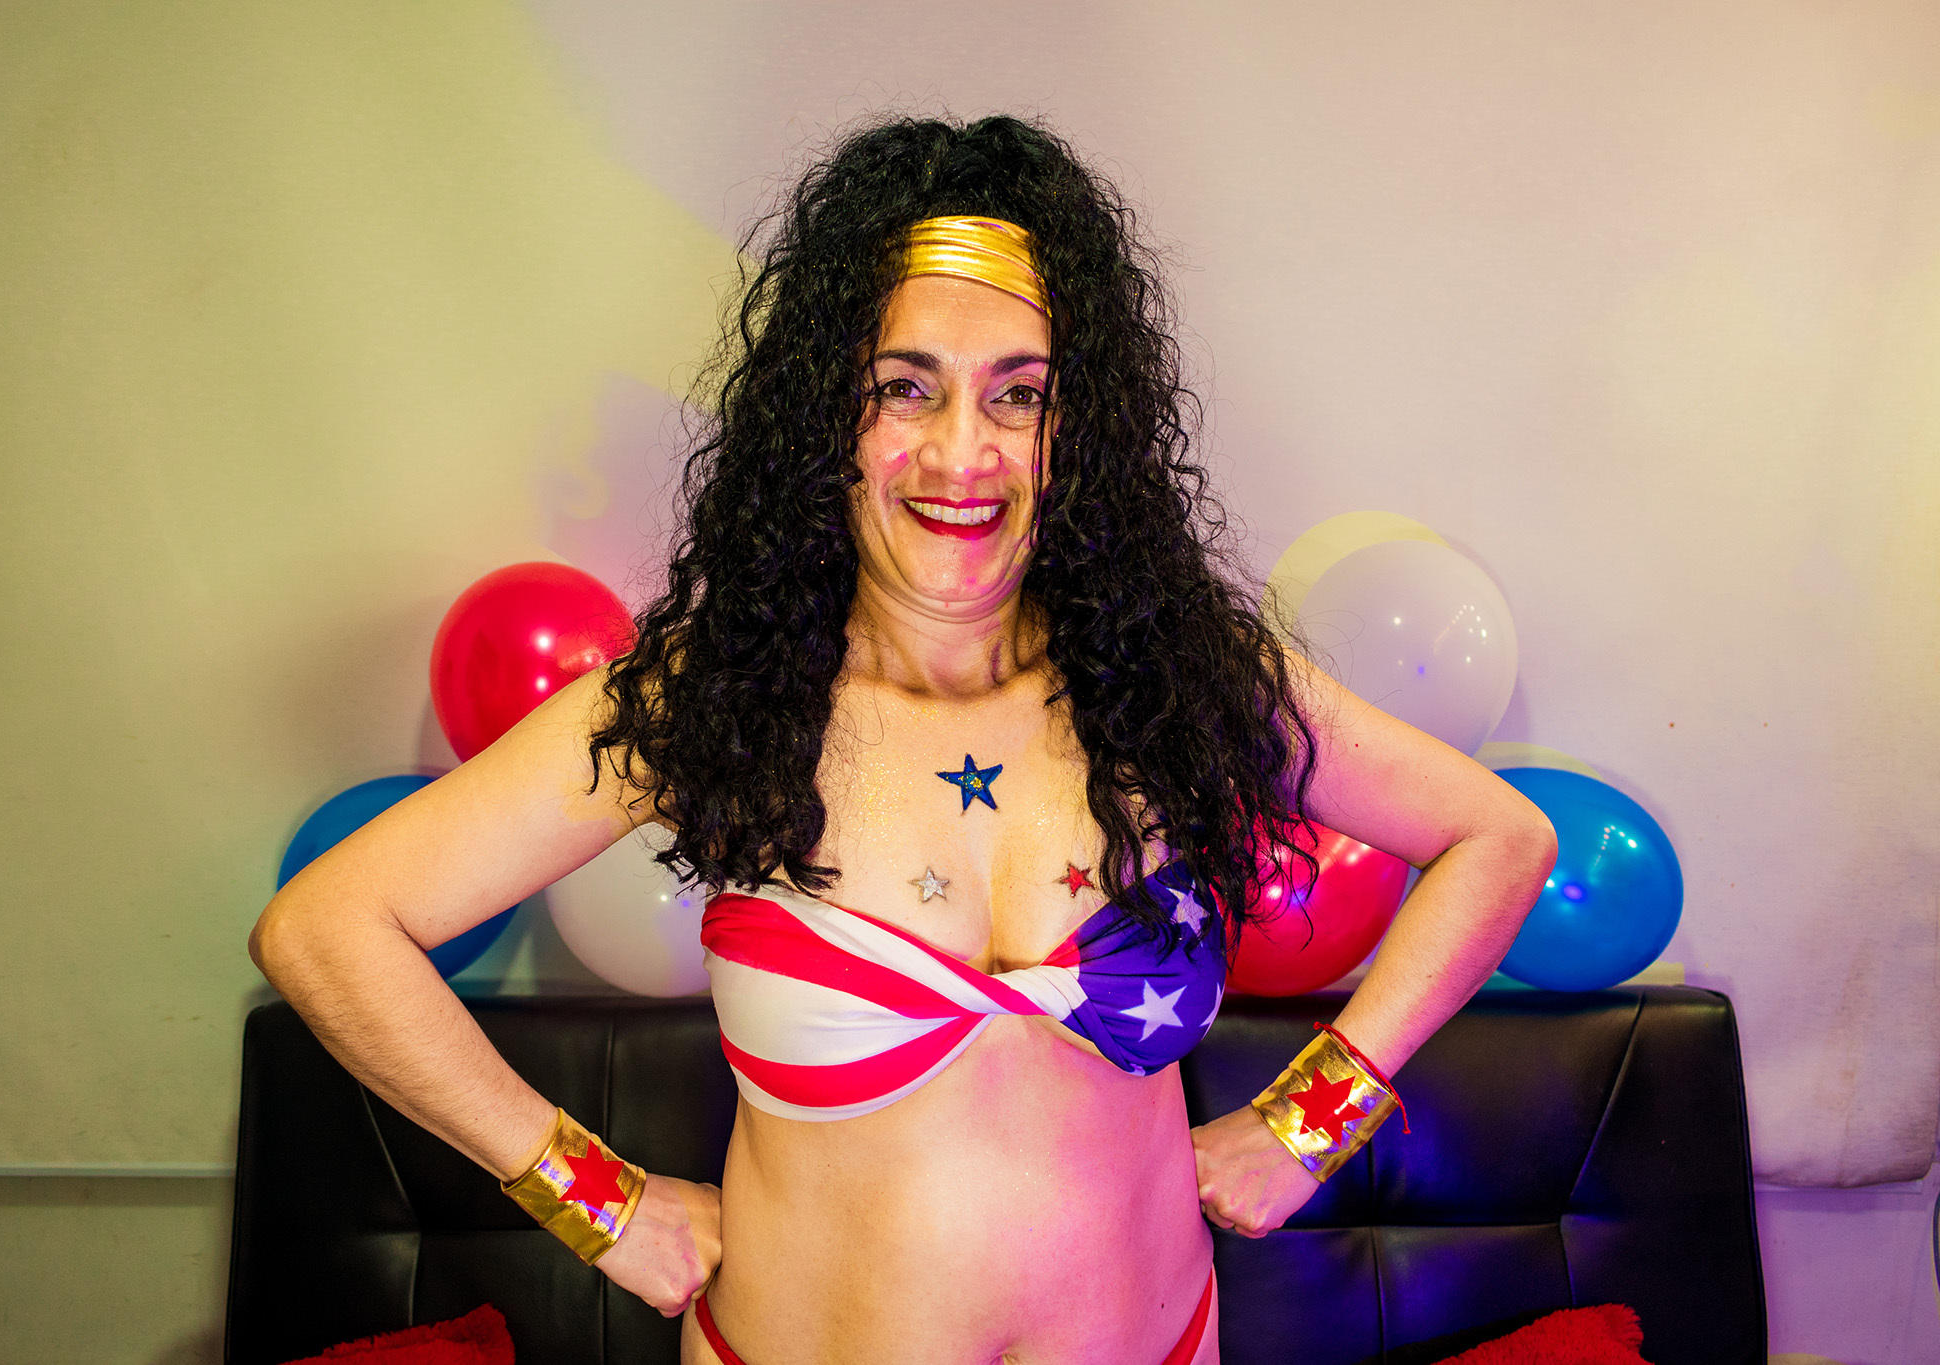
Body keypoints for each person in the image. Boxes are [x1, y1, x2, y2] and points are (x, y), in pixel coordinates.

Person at [250, 114, 1557, 1365]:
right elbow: (326, 929)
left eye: (1019, 394)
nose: (960, 453)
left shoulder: (1176, 674)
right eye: (904, 388)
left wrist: (1313, 1124)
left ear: (1080, 428)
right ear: (828, 416)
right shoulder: (720, 693)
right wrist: (595, 1198)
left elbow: (1499, 838)